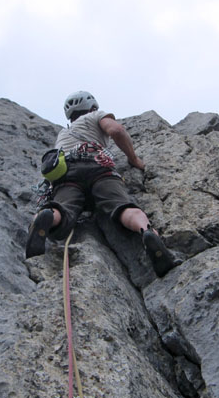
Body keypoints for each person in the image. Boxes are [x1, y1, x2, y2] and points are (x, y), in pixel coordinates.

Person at [26, 90, 179, 277]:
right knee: (122, 206)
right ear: (92, 106)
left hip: (66, 177)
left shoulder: (63, 134)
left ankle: (46, 216)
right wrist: (134, 159)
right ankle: (147, 233)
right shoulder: (95, 115)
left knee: (62, 208)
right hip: (98, 169)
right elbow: (116, 130)